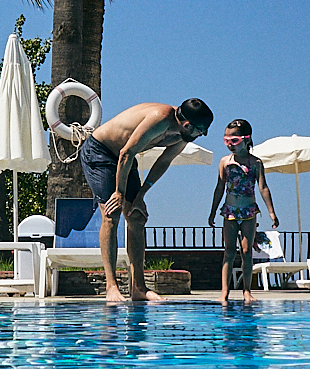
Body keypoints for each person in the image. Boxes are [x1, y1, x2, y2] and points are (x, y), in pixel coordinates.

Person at [78, 98, 213, 303]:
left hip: (125, 158)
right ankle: (112, 287)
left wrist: (141, 195)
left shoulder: (184, 136)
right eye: (201, 130)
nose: (202, 135)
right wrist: (119, 193)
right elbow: (126, 152)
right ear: (188, 124)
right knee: (112, 214)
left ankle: (138, 288)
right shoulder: (159, 119)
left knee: (137, 217)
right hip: (101, 151)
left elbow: (164, 161)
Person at [207, 119, 282, 306]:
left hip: (249, 211)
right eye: (226, 141)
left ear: (247, 140)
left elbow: (263, 187)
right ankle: (225, 292)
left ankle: (247, 291)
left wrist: (271, 212)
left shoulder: (255, 163)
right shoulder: (225, 162)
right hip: (229, 211)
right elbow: (219, 188)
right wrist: (212, 211)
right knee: (229, 251)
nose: (230, 145)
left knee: (247, 251)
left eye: (235, 141)